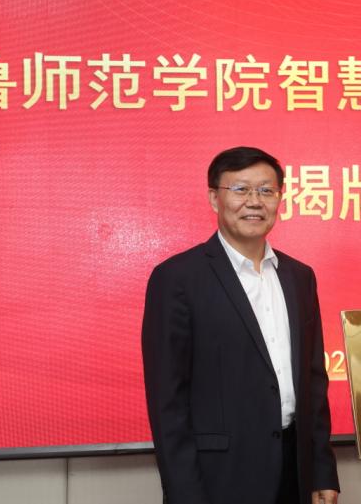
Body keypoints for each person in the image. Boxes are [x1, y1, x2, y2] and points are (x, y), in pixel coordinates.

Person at [142, 146, 340, 504]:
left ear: (279, 198)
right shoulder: (177, 279)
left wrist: (322, 470)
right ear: (214, 199)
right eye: (240, 189)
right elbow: (167, 401)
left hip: (294, 472)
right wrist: (185, 494)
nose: (255, 201)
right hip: (218, 478)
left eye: (266, 190)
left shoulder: (299, 277)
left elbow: (313, 381)